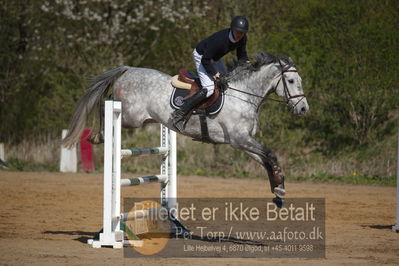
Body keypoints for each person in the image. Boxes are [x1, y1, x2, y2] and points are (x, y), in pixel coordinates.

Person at [172, 16, 250, 131]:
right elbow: (205, 59)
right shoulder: (220, 40)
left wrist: (249, 64)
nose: (239, 35)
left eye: (242, 33)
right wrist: (214, 73)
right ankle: (179, 113)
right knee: (208, 88)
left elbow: (241, 55)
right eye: (238, 32)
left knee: (226, 82)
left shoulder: (242, 38)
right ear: (232, 29)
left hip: (214, 58)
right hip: (202, 56)